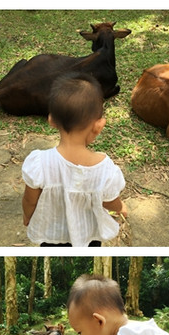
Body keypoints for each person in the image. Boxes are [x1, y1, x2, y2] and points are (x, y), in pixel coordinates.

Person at [22, 72, 127, 247]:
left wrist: (27, 215)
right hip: (90, 235)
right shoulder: (105, 170)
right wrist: (121, 208)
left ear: (51, 120)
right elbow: (109, 201)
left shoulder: (39, 163)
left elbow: (29, 200)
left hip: (51, 235)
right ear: (99, 126)